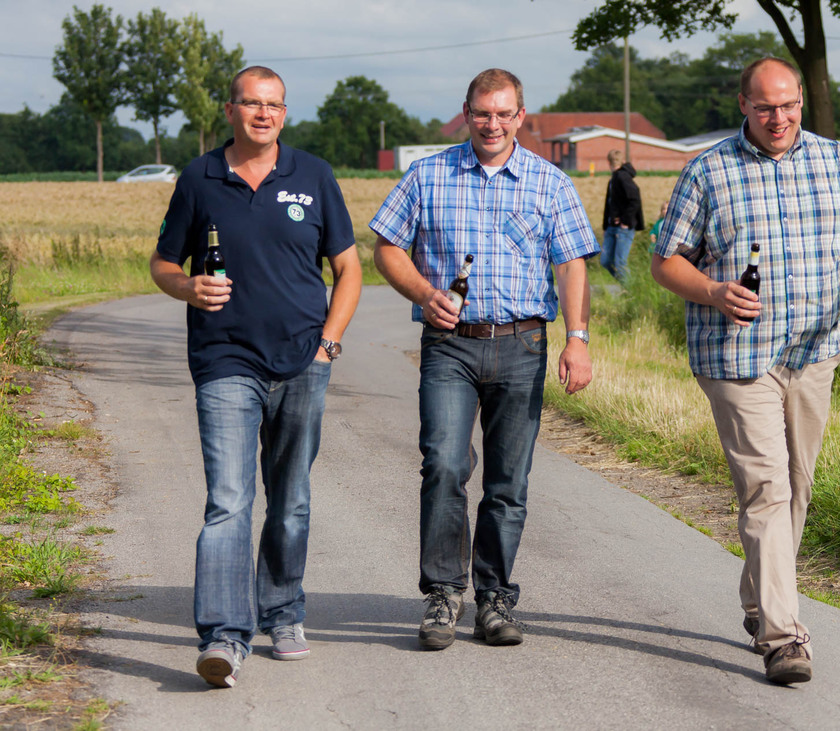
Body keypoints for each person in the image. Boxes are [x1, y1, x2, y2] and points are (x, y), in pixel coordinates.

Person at [650, 57, 840, 685]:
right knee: (766, 490)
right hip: (737, 357)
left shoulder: (836, 161)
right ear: (743, 105)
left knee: (796, 489)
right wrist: (713, 291)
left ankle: (758, 599)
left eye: (789, 105)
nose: (779, 118)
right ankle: (783, 637)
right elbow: (666, 261)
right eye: (766, 106)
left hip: (814, 352)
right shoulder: (709, 171)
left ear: (801, 101)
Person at [371, 68, 598, 651]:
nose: (491, 124)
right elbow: (387, 248)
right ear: (467, 113)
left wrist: (577, 339)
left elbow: (572, 263)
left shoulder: (550, 183)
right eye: (481, 113)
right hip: (450, 344)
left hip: (523, 345)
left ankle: (494, 598)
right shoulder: (429, 175)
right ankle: (444, 593)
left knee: (508, 481)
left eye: (503, 113)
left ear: (520, 116)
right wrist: (425, 293)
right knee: (445, 464)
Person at [150, 65, 361, 688]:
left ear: (284, 114)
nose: (263, 114)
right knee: (228, 501)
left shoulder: (314, 175)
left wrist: (327, 345)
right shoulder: (199, 178)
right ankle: (223, 635)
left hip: (303, 361)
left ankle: (283, 611)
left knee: (290, 500)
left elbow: (349, 269)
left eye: (274, 105)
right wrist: (187, 287)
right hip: (224, 360)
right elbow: (162, 263)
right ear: (230, 110)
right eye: (251, 103)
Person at [600, 149, 644, 282]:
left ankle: (629, 289)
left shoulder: (622, 177)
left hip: (623, 227)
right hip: (611, 226)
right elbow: (609, 204)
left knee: (620, 263)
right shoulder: (613, 179)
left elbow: (635, 199)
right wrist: (605, 225)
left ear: (609, 162)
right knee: (605, 261)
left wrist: (625, 220)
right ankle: (625, 285)